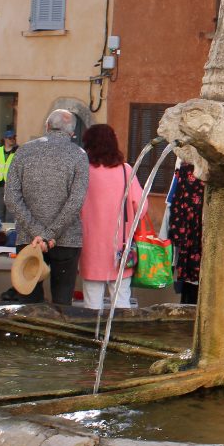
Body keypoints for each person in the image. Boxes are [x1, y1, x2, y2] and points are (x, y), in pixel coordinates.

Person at [5, 110, 90, 305]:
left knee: (29, 304)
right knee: (62, 303)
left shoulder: (24, 151)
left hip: (29, 239)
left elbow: (10, 197)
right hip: (66, 240)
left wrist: (39, 233)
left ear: (47, 126)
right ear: (72, 133)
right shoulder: (78, 155)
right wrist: (50, 234)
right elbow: (76, 201)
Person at [78, 123, 142, 310]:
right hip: (120, 248)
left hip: (90, 246)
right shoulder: (125, 170)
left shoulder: (83, 171)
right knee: (121, 303)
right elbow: (140, 204)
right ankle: (119, 338)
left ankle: (94, 338)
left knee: (92, 305)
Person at [0, 128, 19, 223]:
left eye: (13, 137)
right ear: (5, 139)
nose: (12, 139)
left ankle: (9, 233)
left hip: (12, 186)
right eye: (10, 138)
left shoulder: (18, 151)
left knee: (10, 215)